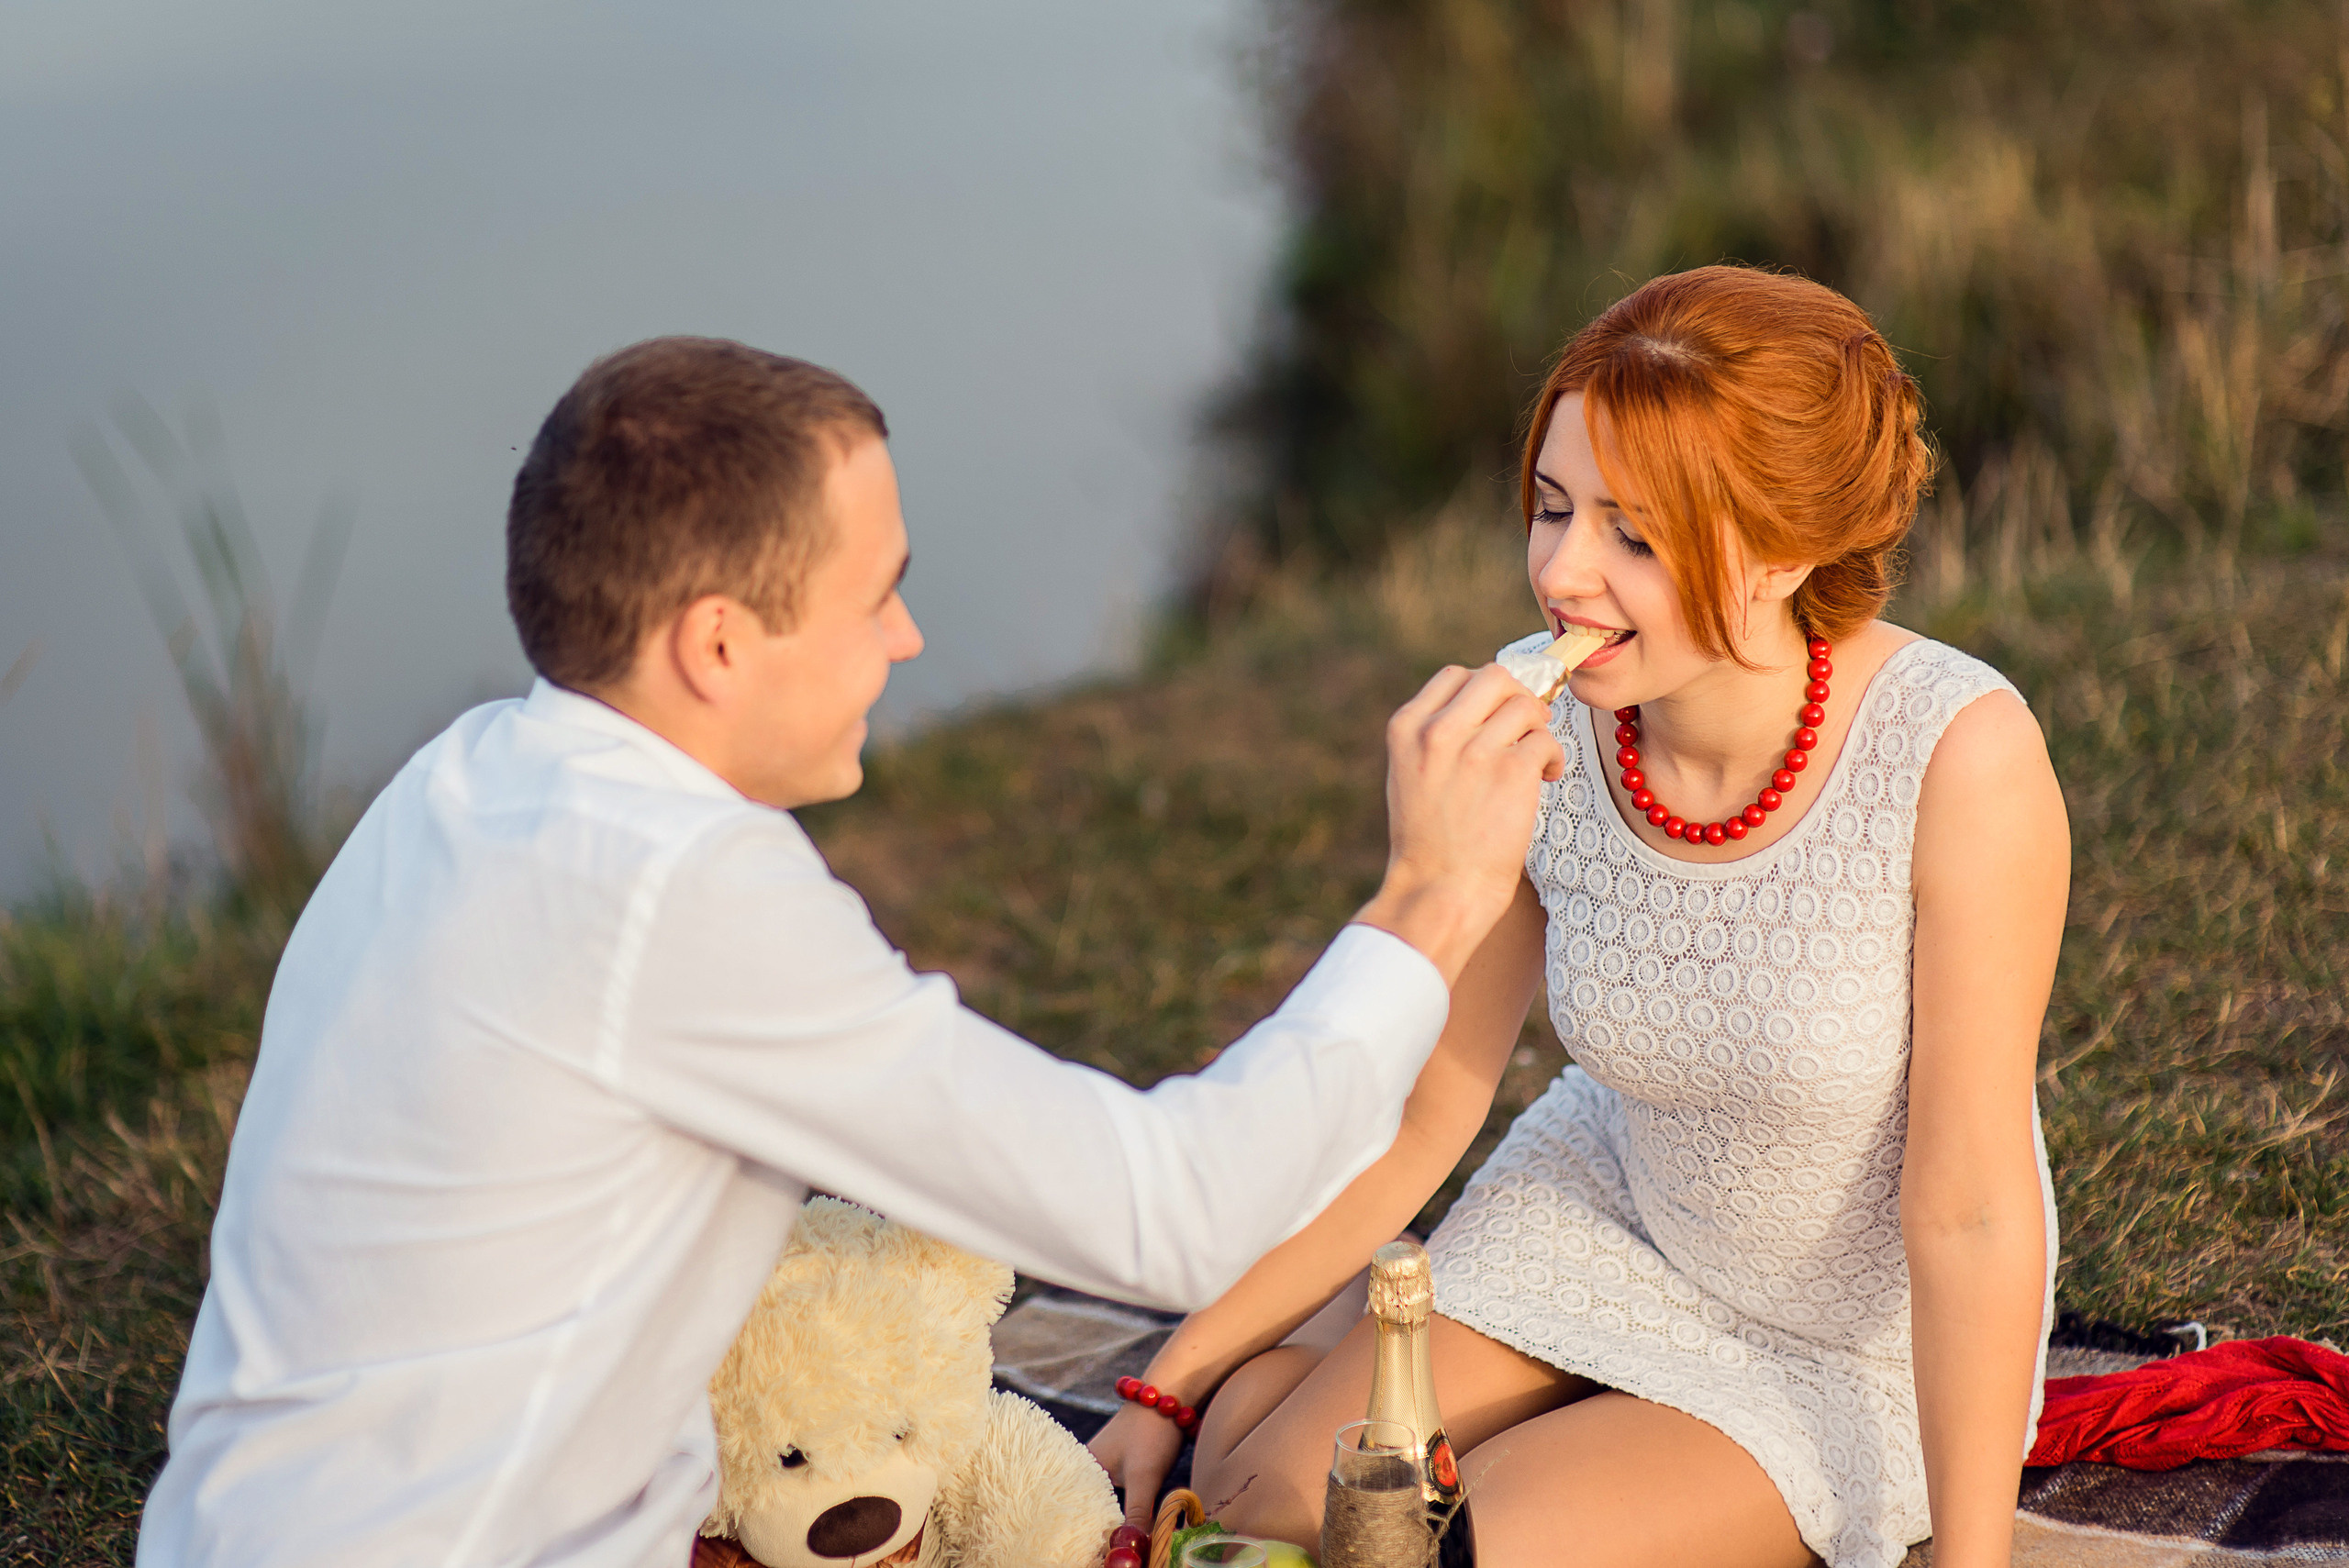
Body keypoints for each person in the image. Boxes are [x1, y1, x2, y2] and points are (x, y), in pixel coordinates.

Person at [135, 337, 1566, 1568]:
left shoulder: (465, 778)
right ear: (716, 644)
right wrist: (1429, 900)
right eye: (873, 593)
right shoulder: (681, 893)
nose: (907, 636)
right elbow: (1174, 1212)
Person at [1087, 267, 2068, 1568]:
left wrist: (1974, 1559)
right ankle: (1379, 1374)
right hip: (1606, 1213)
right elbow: (1424, 1116)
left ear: (1783, 551)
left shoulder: (1958, 755)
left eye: (1634, 537)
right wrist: (1168, 1382)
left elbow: (1973, 1208)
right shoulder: (1541, 733)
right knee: (1264, 1496)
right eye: (1552, 508)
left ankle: (1479, 1401)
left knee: (1454, 1549)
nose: (1561, 571)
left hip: (1839, 1337)